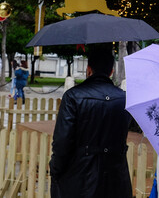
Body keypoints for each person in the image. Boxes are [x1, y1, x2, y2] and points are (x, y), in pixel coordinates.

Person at [49, 44, 132, 198]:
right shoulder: (124, 99)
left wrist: (55, 170)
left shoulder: (73, 97)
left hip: (80, 179)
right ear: (111, 71)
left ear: (88, 70)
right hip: (116, 180)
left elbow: (62, 142)